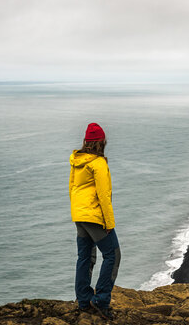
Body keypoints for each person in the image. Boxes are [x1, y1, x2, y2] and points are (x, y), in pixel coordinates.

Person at [69, 122, 121, 320]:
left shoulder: (76, 160)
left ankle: (84, 300)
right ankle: (101, 299)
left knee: (85, 257)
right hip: (94, 216)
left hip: (79, 214)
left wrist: (77, 214)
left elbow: (72, 188)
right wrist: (109, 223)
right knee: (112, 255)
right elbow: (104, 195)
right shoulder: (98, 163)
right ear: (102, 142)